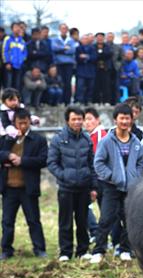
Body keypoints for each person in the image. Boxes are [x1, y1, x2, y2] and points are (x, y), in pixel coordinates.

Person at [91, 103, 143, 263]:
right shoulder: (107, 141)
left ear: (131, 120)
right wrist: (112, 177)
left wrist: (135, 177)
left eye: (127, 118)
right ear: (115, 120)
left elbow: (141, 162)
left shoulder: (135, 142)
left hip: (130, 188)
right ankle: (98, 250)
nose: (124, 121)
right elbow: (98, 162)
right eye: (121, 118)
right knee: (106, 219)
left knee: (129, 219)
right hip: (111, 187)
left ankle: (124, 249)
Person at [47, 106, 97, 261]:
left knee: (82, 221)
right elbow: (52, 162)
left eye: (79, 119)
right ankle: (65, 252)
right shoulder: (59, 139)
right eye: (74, 119)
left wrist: (93, 186)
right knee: (65, 221)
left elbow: (92, 164)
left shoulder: (86, 138)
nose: (77, 122)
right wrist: (64, 176)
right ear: (67, 121)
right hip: (66, 188)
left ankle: (83, 250)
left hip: (83, 187)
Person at [0, 108, 48, 260]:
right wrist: (8, 155)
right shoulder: (7, 138)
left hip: (28, 187)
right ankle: (6, 249)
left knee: (33, 220)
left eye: (25, 123)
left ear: (29, 122)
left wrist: (23, 161)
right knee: (7, 221)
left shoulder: (38, 140)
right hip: (9, 188)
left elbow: (43, 160)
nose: (22, 126)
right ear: (14, 122)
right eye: (19, 123)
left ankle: (39, 249)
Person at [83, 107, 106, 241]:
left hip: (100, 180)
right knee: (85, 207)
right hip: (90, 179)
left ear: (97, 120)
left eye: (90, 119)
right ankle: (95, 233)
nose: (87, 123)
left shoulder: (100, 135)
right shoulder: (88, 136)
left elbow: (97, 160)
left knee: (106, 211)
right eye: (85, 120)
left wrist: (95, 184)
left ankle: (105, 238)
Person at [51, 24, 78, 105]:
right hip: (59, 63)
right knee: (60, 81)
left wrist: (60, 50)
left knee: (68, 82)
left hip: (69, 64)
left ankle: (67, 100)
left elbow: (72, 50)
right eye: (62, 28)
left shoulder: (71, 40)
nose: (64, 30)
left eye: (65, 28)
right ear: (59, 29)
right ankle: (60, 101)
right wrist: (64, 48)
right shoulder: (55, 39)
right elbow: (54, 48)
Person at [2, 22, 27, 91]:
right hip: (10, 65)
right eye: (15, 27)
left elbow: (24, 53)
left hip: (18, 65)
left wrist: (21, 60)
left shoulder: (22, 41)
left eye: (19, 27)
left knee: (17, 85)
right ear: (12, 29)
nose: (17, 29)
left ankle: (15, 100)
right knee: (8, 84)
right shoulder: (8, 39)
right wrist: (7, 62)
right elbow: (5, 51)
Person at [74, 34, 97, 105]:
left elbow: (94, 58)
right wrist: (83, 58)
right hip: (81, 70)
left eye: (86, 39)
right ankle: (79, 100)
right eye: (83, 39)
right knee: (80, 86)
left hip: (91, 71)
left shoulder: (93, 48)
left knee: (90, 86)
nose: (85, 40)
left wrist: (86, 57)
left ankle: (88, 100)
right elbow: (77, 58)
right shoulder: (78, 48)